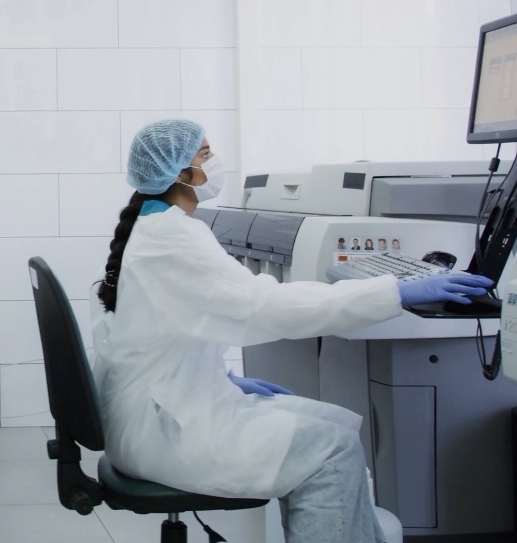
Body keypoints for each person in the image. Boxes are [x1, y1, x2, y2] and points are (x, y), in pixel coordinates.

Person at [92, 119, 491, 543]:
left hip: (160, 411)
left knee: (337, 425)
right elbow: (264, 305)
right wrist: (395, 291)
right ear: (179, 173)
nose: (216, 161)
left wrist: (219, 379)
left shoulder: (159, 226)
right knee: (331, 450)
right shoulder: (173, 235)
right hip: (162, 434)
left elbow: (161, 327)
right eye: (205, 154)